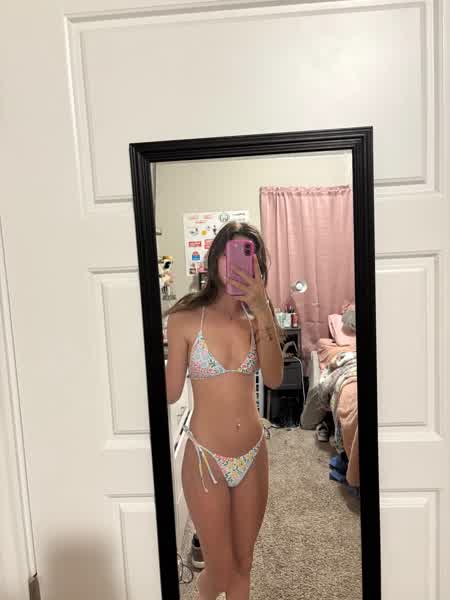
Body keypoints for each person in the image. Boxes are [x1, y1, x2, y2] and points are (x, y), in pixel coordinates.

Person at [165, 221, 284, 600]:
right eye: (230, 255)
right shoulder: (184, 318)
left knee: (243, 564)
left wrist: (263, 309)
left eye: (248, 257)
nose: (236, 266)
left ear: (258, 267)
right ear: (215, 258)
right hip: (205, 458)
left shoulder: (257, 320)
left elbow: (275, 378)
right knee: (219, 568)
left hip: (253, 453)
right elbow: (171, 393)